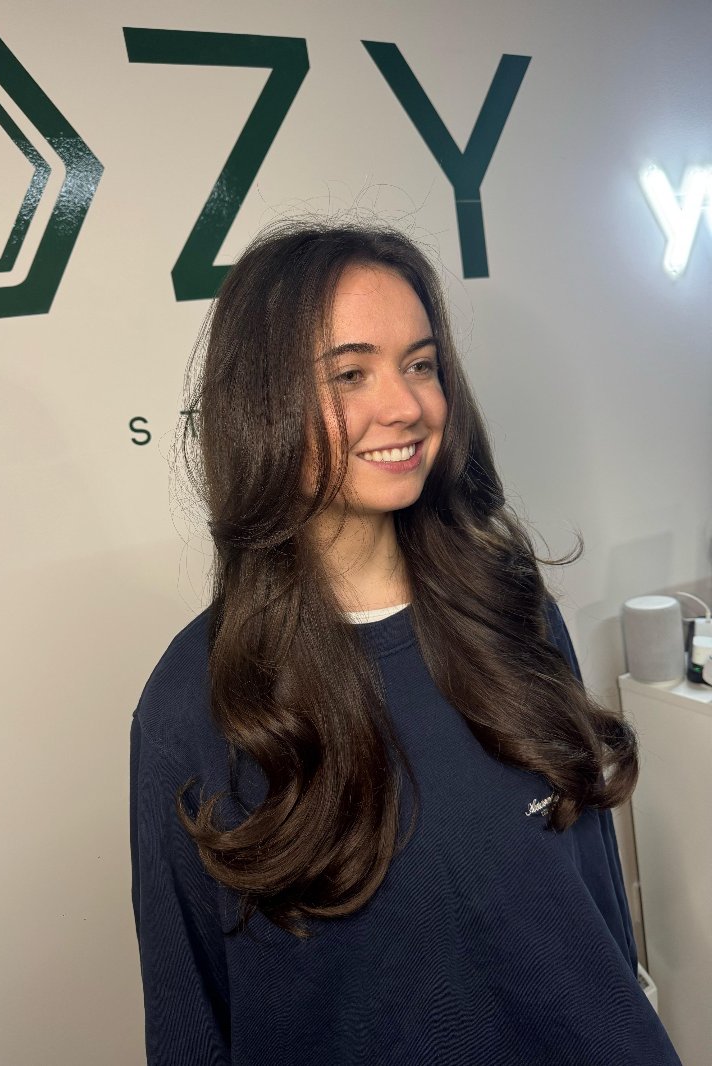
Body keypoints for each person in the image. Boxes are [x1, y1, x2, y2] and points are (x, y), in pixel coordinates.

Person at [129, 220, 682, 1065]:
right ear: (263, 402)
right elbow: (190, 1018)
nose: (407, 406)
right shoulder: (197, 702)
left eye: (420, 365)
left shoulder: (510, 610)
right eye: (351, 374)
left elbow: (593, 893)